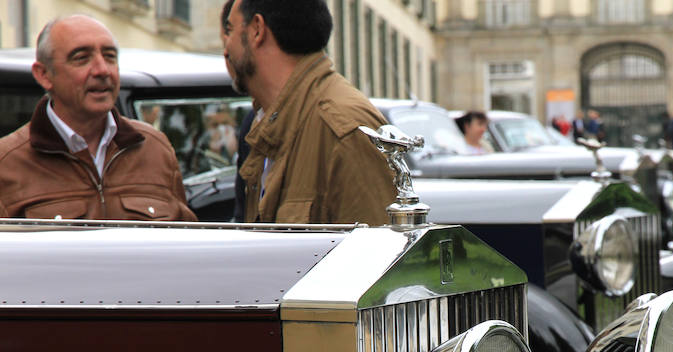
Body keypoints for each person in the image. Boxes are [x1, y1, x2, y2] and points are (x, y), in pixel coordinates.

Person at [0, 15, 195, 221]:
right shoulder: (7, 163)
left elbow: (185, 236)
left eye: (110, 57)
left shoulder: (154, 148)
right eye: (81, 58)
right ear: (44, 75)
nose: (102, 70)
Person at [222, 0, 394, 225]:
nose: (226, 49)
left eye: (230, 30)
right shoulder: (269, 120)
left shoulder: (345, 130)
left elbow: (376, 243)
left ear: (257, 29)